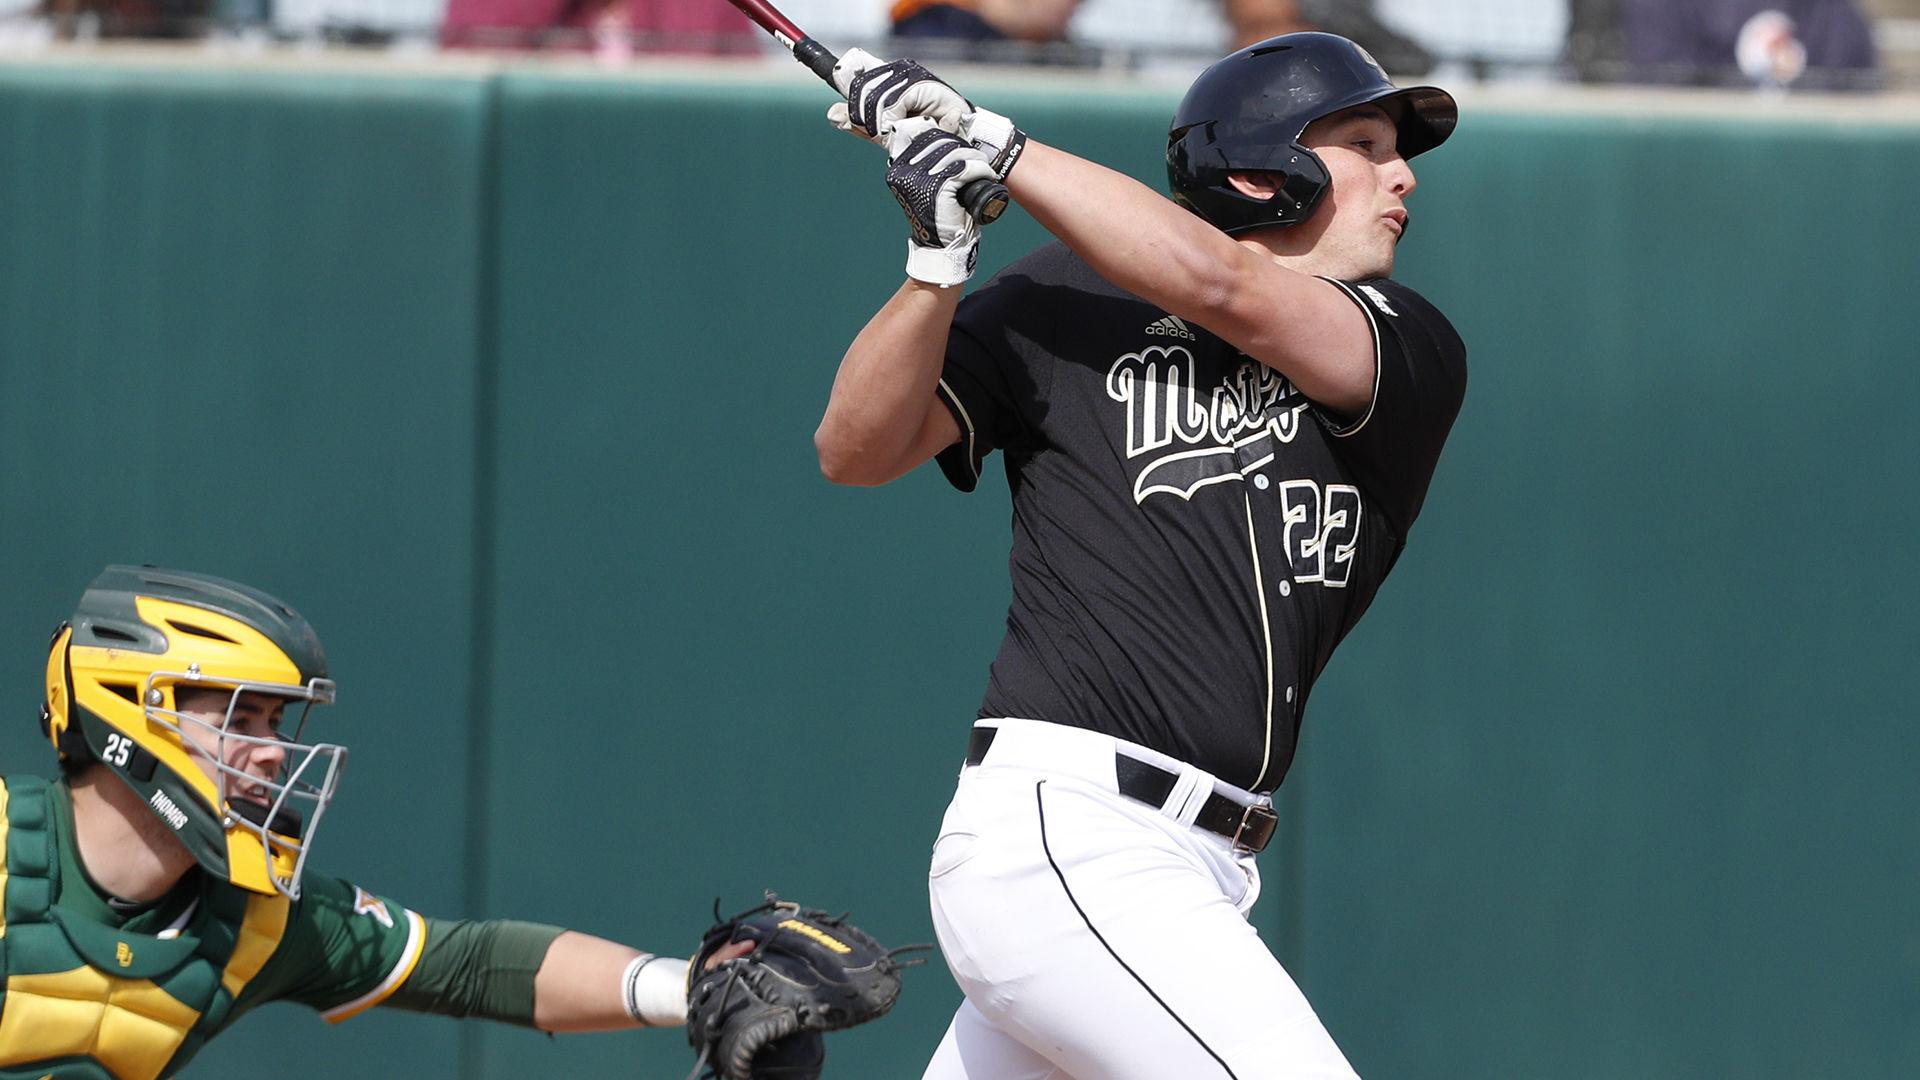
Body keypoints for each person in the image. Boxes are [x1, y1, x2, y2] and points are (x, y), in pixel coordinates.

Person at [814, 32, 1467, 1078]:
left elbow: (1227, 290)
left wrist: (996, 144)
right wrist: (933, 271)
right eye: (1362, 142)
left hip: (1190, 868)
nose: (1403, 176)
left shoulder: (1407, 341)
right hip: (1073, 835)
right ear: (1264, 169)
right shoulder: (1063, 300)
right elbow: (853, 450)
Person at [11, 564, 758, 1079]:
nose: (272, 757)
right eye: (245, 718)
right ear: (128, 713)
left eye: (279, 723)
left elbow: (470, 965)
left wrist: (691, 985)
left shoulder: (257, 922)